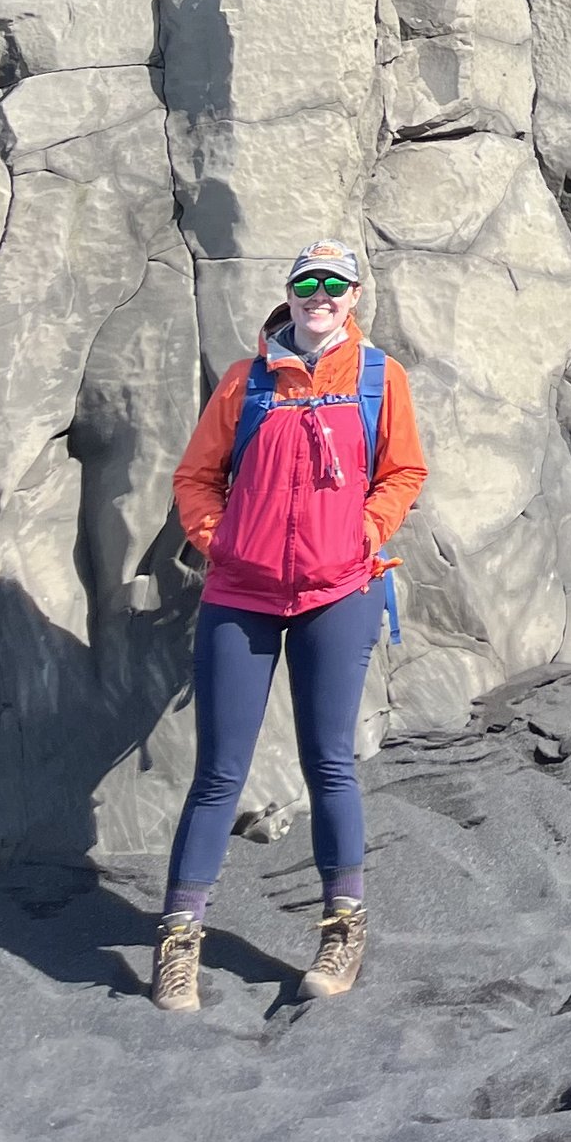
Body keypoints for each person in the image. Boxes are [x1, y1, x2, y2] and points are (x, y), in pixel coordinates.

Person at [149, 246, 426, 1014]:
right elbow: (195, 477)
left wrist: (368, 532)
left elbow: (404, 470)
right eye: (307, 282)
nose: (319, 295)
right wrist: (220, 541)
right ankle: (179, 941)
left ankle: (343, 925)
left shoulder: (378, 377)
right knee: (217, 774)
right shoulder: (247, 381)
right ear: (290, 293)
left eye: (334, 284)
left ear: (354, 295)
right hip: (241, 593)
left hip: (339, 592)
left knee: (329, 760)